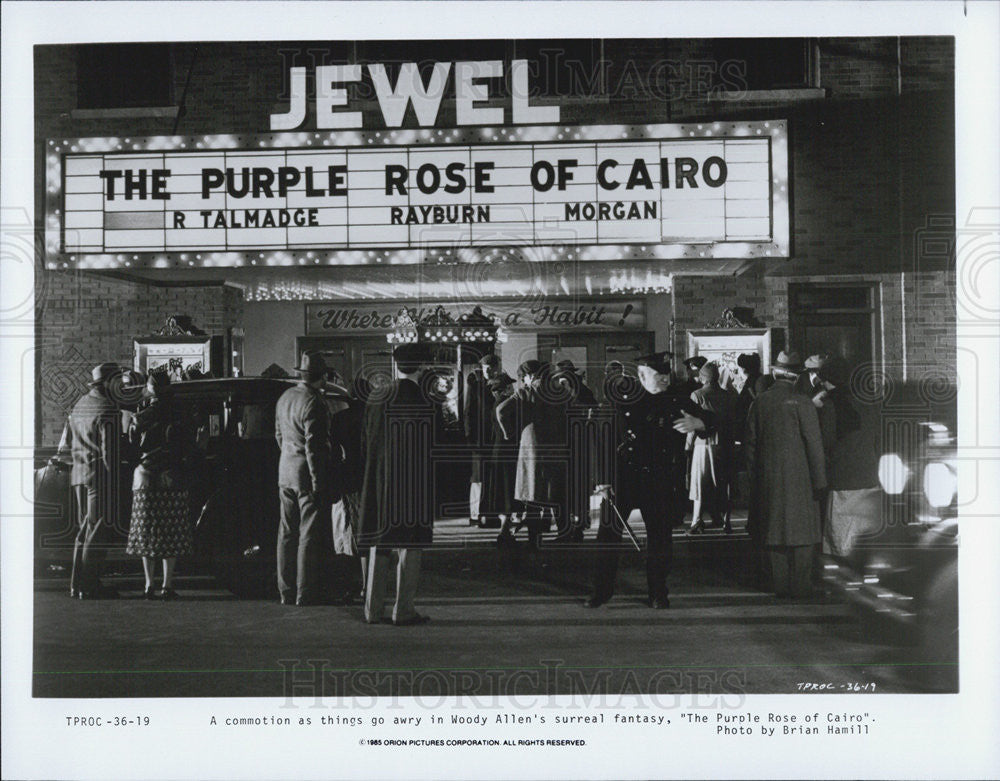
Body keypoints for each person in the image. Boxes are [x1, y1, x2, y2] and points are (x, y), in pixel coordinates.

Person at [584, 351, 713, 609]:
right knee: (608, 538)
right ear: (642, 375)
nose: (665, 379)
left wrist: (699, 422)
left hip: (660, 480)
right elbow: (601, 441)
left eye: (667, 374)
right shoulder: (619, 401)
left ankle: (658, 592)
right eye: (659, 375)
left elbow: (717, 420)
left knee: (660, 539)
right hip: (622, 479)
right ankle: (602, 590)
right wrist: (602, 480)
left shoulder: (677, 400)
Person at [358, 342, 435, 625]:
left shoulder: (377, 394)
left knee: (378, 543)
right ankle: (403, 609)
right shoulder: (423, 400)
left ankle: (371, 609)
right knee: (409, 546)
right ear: (422, 367)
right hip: (410, 482)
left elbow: (365, 440)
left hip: (377, 479)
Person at [745, 350, 828, 599]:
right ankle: (800, 587)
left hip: (768, 478)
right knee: (802, 534)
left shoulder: (759, 402)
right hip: (801, 478)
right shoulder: (802, 402)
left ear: (775, 372)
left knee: (773, 532)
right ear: (796, 377)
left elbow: (750, 445)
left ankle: (778, 585)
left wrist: (753, 478)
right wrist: (820, 481)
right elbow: (814, 444)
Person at [125, 372, 203, 599]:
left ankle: (149, 584)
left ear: (150, 389)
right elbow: (190, 446)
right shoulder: (183, 415)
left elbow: (131, 450)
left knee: (146, 530)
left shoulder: (139, 417)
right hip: (172, 476)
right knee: (172, 531)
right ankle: (167, 585)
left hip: (144, 476)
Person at [274, 350, 335, 606]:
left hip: (285, 471)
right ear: (320, 377)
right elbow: (314, 447)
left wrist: (289, 456)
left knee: (286, 533)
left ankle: (285, 591)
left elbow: (278, 435)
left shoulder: (285, 397)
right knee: (307, 535)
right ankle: (304, 591)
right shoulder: (314, 402)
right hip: (306, 475)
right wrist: (318, 480)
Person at [64, 362, 130, 599]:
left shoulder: (80, 404)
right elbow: (109, 453)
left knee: (84, 531)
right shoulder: (109, 409)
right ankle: (90, 586)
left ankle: (76, 584)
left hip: (78, 475)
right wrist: (116, 482)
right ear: (109, 384)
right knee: (97, 532)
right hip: (99, 478)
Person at [496, 360, 568, 559]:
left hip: (532, 447)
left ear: (529, 376)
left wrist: (508, 433)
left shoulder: (526, 393)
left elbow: (500, 411)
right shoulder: (560, 391)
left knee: (533, 497)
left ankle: (534, 542)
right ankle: (565, 534)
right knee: (557, 494)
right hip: (557, 447)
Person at [329, 373, 369, 604]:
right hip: (369, 477)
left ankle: (350, 582)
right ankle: (368, 582)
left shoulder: (340, 419)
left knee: (346, 532)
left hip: (348, 477)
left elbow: (335, 454)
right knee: (367, 532)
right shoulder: (374, 417)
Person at [687, 361, 739, 534]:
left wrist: (687, 447)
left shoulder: (697, 395)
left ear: (703, 378)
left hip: (704, 445)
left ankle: (696, 521)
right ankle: (726, 521)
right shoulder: (729, 395)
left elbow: (691, 425)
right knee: (725, 483)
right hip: (726, 445)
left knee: (699, 483)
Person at [478, 355, 519, 538]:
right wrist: (509, 433)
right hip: (507, 451)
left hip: (497, 450)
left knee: (501, 490)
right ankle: (506, 528)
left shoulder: (495, 404)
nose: (512, 388)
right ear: (501, 390)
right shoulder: (506, 405)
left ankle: (505, 526)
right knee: (508, 488)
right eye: (509, 386)